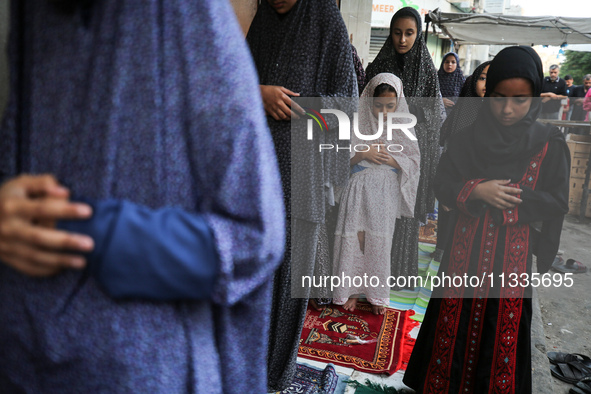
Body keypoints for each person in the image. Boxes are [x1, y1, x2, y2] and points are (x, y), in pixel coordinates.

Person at [0, 1, 285, 393]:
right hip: (21, 355)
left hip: (133, 371)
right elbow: (17, 163)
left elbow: (255, 234)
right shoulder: (33, 16)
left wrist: (86, 229)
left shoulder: (182, 13)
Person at [403, 46, 570, 393]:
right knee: (453, 326)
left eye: (520, 99)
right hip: (463, 256)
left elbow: (557, 201)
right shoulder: (467, 138)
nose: (507, 109)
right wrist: (476, 191)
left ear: (535, 96)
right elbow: (442, 184)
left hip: (511, 259)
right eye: (497, 98)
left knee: (501, 334)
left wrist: (512, 202)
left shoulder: (549, 144)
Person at [246, 0, 358, 390]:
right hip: (255, 177)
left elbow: (347, 105)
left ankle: (275, 374)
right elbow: (232, 86)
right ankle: (244, 365)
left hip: (303, 179)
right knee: (252, 274)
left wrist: (298, 106)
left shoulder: (325, 19)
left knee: (290, 279)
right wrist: (256, 92)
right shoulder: (262, 22)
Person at [365, 6, 443, 287]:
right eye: (397, 33)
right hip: (378, 149)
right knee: (376, 212)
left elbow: (433, 117)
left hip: (410, 152)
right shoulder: (377, 67)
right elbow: (364, 109)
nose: (402, 39)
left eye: (409, 33)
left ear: (417, 35)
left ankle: (397, 273)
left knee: (403, 211)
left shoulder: (426, 70)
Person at [331, 73, 420, 315]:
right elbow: (339, 157)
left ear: (399, 103)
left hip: (384, 191)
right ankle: (350, 290)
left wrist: (392, 158)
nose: (383, 112)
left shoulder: (404, 125)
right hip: (358, 187)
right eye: (377, 105)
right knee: (355, 237)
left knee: (379, 240)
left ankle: (375, 293)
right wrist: (362, 154)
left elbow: (413, 160)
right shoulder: (356, 122)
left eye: (390, 106)